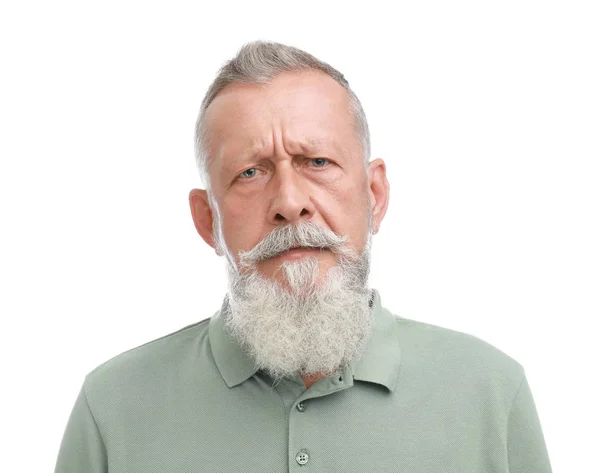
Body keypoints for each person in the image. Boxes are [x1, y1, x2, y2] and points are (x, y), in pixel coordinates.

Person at [54, 40, 552, 473]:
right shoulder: (112, 410)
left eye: (317, 161)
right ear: (208, 220)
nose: (290, 202)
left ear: (374, 195)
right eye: (250, 172)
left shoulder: (491, 392)